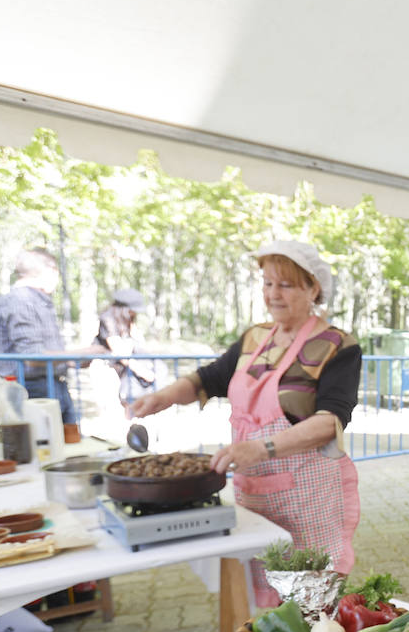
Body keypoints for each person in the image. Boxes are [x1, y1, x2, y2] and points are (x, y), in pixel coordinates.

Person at [130, 241, 362, 605]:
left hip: (308, 497)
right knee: (263, 593)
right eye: (267, 284)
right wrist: (162, 398)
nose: (272, 294)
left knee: (311, 598)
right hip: (254, 491)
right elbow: (206, 379)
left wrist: (261, 447)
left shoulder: (337, 346)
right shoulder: (255, 338)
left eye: (284, 285)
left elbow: (330, 421)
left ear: (312, 288)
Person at [0, 247, 80, 425]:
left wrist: (71, 360)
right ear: (50, 272)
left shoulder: (36, 300)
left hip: (52, 385)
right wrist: (82, 354)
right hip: (32, 390)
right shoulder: (21, 301)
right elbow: (32, 355)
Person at [92, 288, 157, 409]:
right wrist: (143, 372)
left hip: (125, 372)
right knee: (114, 413)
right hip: (108, 371)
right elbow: (119, 353)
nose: (134, 314)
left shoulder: (127, 321)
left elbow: (138, 343)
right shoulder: (108, 319)